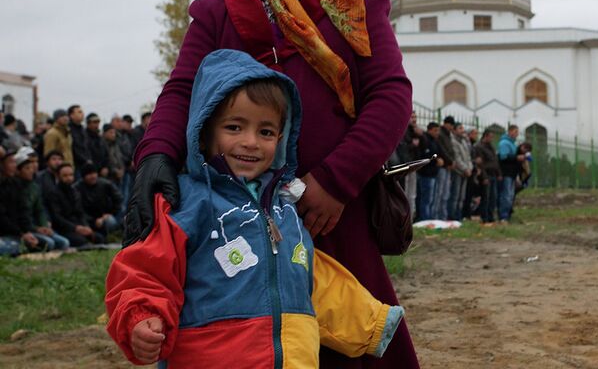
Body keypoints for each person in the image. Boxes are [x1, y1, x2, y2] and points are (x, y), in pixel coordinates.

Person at [122, 0, 417, 368]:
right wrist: (154, 156)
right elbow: (180, 92)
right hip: (231, 220)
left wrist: (334, 182)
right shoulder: (218, 16)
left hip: (331, 218)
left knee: (356, 336)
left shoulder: (358, 8)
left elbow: (390, 98)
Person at [106, 50, 403, 367]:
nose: (251, 142)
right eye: (234, 127)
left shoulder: (284, 208)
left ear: (282, 137)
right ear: (204, 133)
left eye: (265, 132)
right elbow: (146, 270)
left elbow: (310, 278)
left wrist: (369, 322)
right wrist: (141, 317)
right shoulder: (187, 204)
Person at [15, 148, 70, 251]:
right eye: (29, 165)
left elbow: (40, 209)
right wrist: (36, 229)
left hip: (38, 226)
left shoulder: (34, 186)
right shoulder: (15, 187)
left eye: (36, 162)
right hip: (25, 229)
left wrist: (45, 225)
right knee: (49, 244)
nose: (34, 166)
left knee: (63, 243)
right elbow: (21, 216)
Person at [46, 163, 104, 247]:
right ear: (58, 176)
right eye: (65, 175)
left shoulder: (74, 191)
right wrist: (75, 228)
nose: (69, 178)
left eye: (70, 175)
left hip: (78, 225)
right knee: (81, 241)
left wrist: (85, 226)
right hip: (64, 228)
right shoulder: (53, 193)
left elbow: (80, 212)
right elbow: (57, 217)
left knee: (99, 238)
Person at [74, 162, 122, 236]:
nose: (93, 176)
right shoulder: (77, 188)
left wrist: (110, 213)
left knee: (111, 222)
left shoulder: (105, 184)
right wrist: (93, 220)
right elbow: (78, 209)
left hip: (103, 216)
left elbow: (118, 198)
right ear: (84, 177)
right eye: (89, 174)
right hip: (86, 219)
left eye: (94, 173)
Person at [497, 124, 525, 220]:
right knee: (506, 195)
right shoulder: (504, 143)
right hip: (506, 173)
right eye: (515, 132)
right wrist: (516, 157)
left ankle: (507, 214)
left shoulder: (513, 144)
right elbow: (503, 157)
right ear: (510, 131)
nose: (517, 134)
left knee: (510, 195)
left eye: (517, 132)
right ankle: (503, 216)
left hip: (512, 173)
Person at [474, 129, 501, 224]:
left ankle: (490, 216)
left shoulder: (491, 147)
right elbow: (480, 164)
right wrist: (484, 177)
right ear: (485, 136)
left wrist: (498, 173)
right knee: (486, 197)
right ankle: (484, 217)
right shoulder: (479, 147)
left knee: (493, 197)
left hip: (493, 174)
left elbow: (495, 161)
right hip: (486, 175)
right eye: (490, 137)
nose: (492, 139)